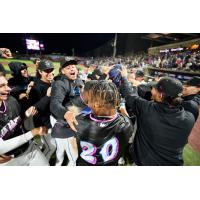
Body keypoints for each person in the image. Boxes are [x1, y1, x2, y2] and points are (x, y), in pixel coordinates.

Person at [120, 67, 195, 166]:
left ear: (161, 96)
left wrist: (124, 77)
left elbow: (128, 94)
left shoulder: (147, 109)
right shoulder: (189, 118)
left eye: (155, 88)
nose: (152, 90)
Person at [65, 80, 134, 166]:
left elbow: (72, 144)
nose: (87, 100)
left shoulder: (79, 120)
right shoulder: (126, 124)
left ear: (96, 104)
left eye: (90, 97)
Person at [0, 74, 49, 166]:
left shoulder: (11, 101)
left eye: (6, 84)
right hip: (8, 162)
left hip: (29, 150)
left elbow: (21, 124)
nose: (8, 89)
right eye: (2, 86)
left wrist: (27, 115)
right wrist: (33, 133)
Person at [50, 59, 83, 166]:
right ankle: (62, 164)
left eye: (73, 66)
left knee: (61, 147)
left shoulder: (78, 81)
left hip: (70, 117)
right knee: (73, 153)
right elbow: (54, 104)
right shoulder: (60, 83)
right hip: (61, 119)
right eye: (68, 68)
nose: (72, 68)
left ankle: (58, 163)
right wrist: (66, 114)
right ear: (62, 71)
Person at [28, 60, 56, 162]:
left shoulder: (52, 83)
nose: (50, 72)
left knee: (47, 146)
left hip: (52, 120)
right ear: (40, 72)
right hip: (43, 123)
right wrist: (47, 97)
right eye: (46, 70)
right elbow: (33, 109)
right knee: (50, 147)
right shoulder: (36, 88)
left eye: (51, 70)